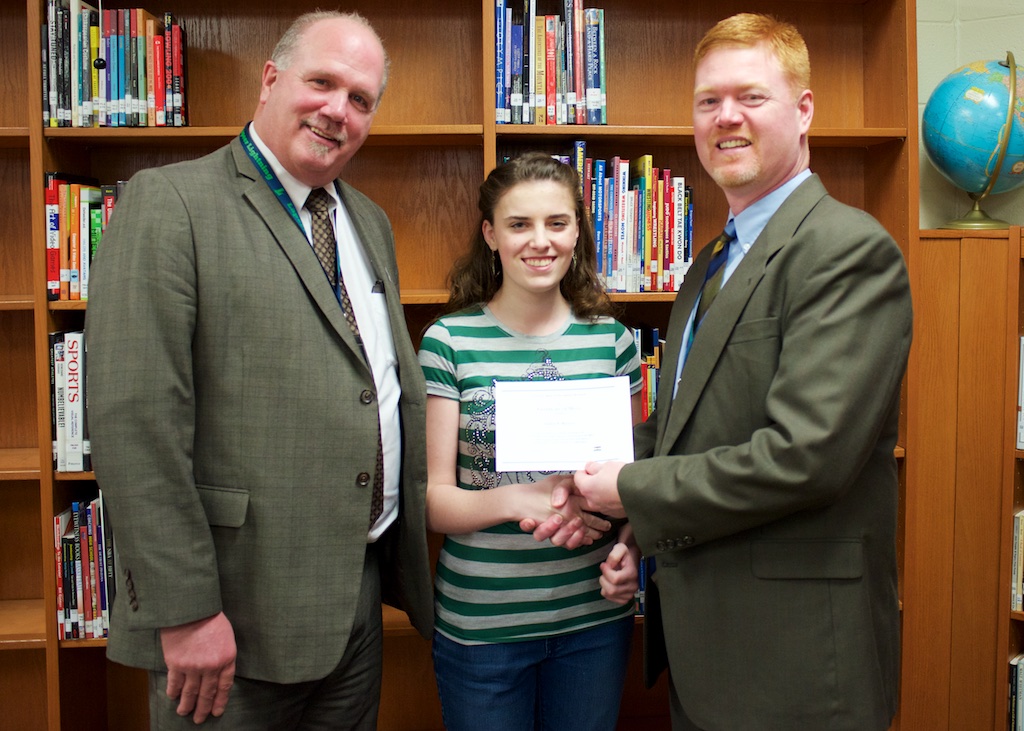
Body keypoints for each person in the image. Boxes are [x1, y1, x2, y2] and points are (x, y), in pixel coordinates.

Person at [85, 11, 433, 729]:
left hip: (355, 603)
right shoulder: (172, 203)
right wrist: (184, 612)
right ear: (272, 80)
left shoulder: (368, 221)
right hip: (231, 619)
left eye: (360, 98)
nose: (339, 110)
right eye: (322, 82)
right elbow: (134, 425)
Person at [569, 13, 912, 731]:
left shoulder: (846, 249)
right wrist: (634, 528)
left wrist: (630, 486)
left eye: (751, 97)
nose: (726, 117)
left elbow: (805, 456)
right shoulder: (710, 262)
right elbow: (688, 433)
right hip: (706, 654)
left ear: (804, 108)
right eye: (708, 101)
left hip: (797, 669)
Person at [416, 151, 643, 730]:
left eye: (556, 223)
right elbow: (434, 501)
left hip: (593, 619)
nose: (539, 242)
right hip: (482, 629)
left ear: (577, 232)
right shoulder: (449, 342)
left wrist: (631, 551)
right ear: (491, 235)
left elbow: (634, 487)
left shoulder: (613, 342)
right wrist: (525, 499)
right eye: (519, 224)